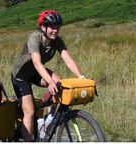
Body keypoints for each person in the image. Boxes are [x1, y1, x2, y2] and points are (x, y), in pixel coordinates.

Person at [11, 10, 85, 141]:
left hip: (36, 73)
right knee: (30, 112)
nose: (55, 30)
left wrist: (81, 77)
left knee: (60, 84)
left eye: (57, 27)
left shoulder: (57, 41)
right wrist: (49, 82)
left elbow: (68, 59)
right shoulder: (35, 38)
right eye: (52, 27)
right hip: (21, 76)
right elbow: (37, 63)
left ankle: (49, 118)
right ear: (43, 27)